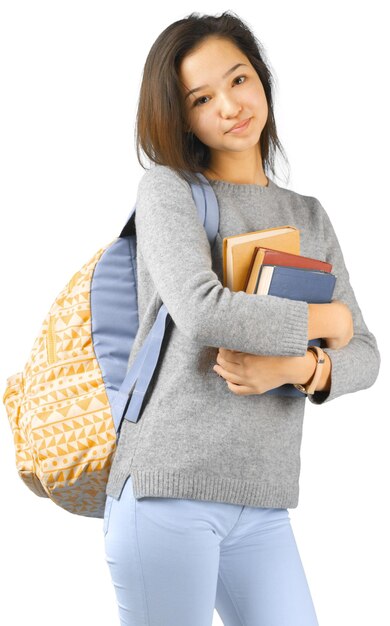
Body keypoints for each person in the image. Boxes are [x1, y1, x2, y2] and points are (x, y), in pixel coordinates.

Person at [102, 11, 381, 626]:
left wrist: (295, 367)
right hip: (166, 492)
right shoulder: (169, 190)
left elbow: (365, 353)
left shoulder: (308, 215)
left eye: (239, 80)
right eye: (202, 98)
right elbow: (203, 311)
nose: (230, 105)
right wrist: (323, 315)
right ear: (180, 116)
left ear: (262, 81)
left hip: (261, 505)